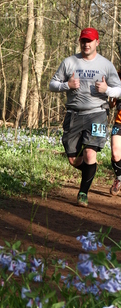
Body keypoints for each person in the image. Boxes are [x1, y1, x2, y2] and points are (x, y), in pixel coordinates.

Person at [49, 27, 121, 207]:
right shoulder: (69, 62)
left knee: (90, 153)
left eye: (89, 41)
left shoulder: (106, 65)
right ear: (80, 41)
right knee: (74, 160)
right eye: (83, 40)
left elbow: (119, 90)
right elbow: (52, 84)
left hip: (97, 114)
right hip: (74, 114)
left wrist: (107, 90)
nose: (86, 44)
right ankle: (90, 170)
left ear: (97, 42)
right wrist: (67, 85)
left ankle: (83, 192)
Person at [109, 83, 121, 195]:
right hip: (119, 123)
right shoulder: (117, 79)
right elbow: (111, 104)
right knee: (115, 154)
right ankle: (119, 178)